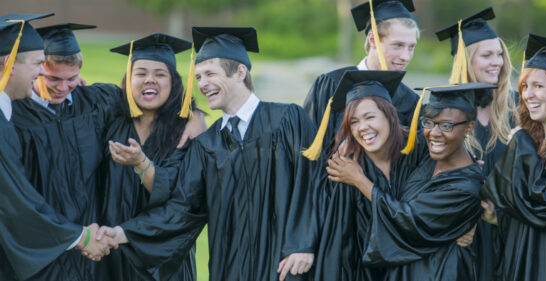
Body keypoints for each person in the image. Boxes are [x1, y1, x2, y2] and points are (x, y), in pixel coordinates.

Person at [96, 26, 317, 281]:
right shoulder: (207, 144)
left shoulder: (287, 119)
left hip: (288, 265)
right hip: (231, 268)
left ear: (240, 72)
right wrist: (124, 233)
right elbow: (183, 208)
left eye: (210, 74)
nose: (202, 84)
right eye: (198, 77)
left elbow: (311, 182)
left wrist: (303, 244)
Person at [326, 82, 494, 280]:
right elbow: (397, 134)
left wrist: (359, 180)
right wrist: (351, 140)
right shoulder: (428, 157)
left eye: (446, 125)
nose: (434, 133)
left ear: (469, 128)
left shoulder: (465, 186)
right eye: (429, 123)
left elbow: (409, 220)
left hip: (438, 273)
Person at [0, 13, 115, 281]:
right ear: (9, 64)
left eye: (71, 79)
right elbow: (16, 202)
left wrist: (193, 113)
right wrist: (83, 236)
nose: (42, 71)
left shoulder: (92, 103)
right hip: (32, 259)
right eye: (39, 64)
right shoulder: (11, 121)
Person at [481, 33, 546, 281]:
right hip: (523, 255)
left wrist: (523, 145)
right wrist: (498, 215)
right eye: (525, 86)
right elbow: (508, 196)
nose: (528, 95)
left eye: (538, 86)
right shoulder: (534, 138)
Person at [99, 32, 200, 281]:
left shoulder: (186, 133)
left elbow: (182, 198)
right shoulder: (110, 121)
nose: (149, 80)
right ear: (129, 79)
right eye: (141, 73)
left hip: (164, 264)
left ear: (174, 83)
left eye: (160, 74)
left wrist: (141, 163)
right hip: (109, 256)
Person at [310, 69, 426, 280]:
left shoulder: (419, 150)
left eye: (370, 117)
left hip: (417, 269)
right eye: (353, 122)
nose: (363, 127)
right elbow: (340, 241)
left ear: (390, 115)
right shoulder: (345, 166)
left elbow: (423, 216)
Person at [434, 8, 517, 281]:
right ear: (465, 61)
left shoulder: (516, 109)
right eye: (487, 55)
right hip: (459, 239)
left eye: (500, 54)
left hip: (507, 232)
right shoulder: (442, 112)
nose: (498, 63)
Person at [302, 0, 420, 159]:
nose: (406, 56)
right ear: (372, 40)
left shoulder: (410, 101)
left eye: (411, 47)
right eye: (397, 45)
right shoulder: (331, 84)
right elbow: (306, 150)